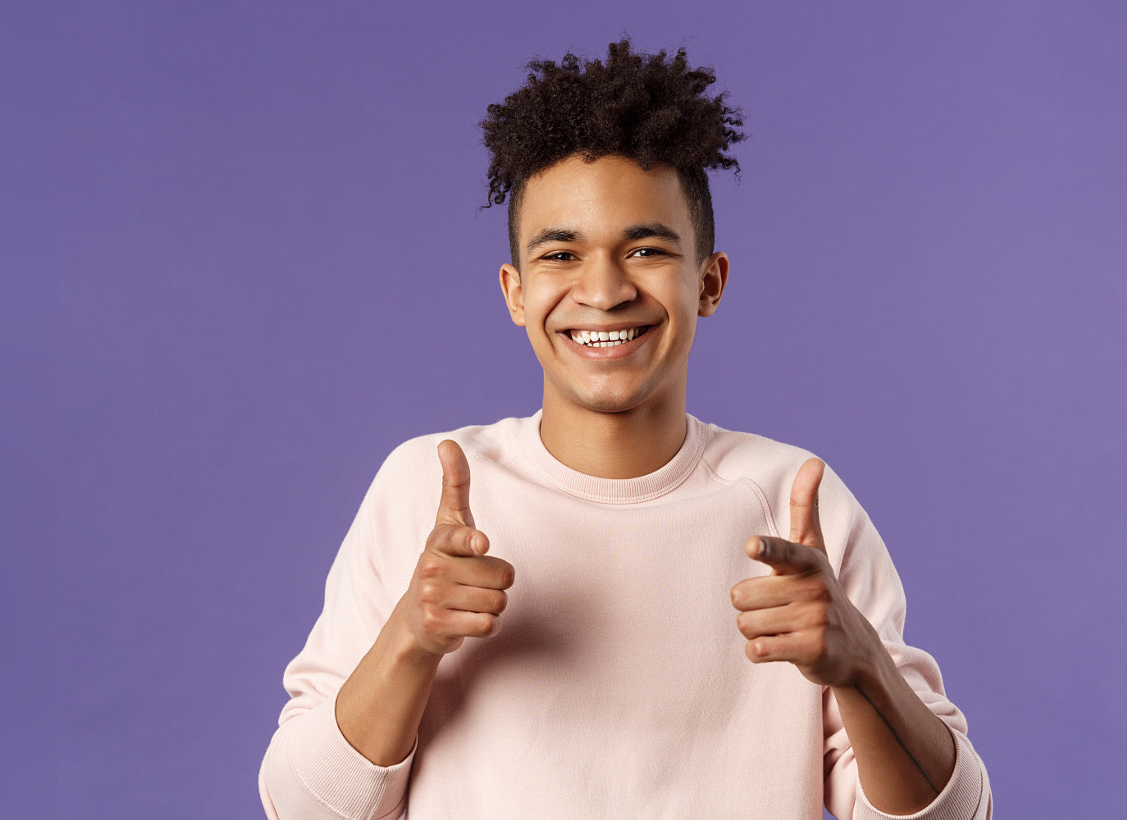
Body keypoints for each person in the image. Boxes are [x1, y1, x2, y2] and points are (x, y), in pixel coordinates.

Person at [256, 39, 991, 819]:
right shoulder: (427, 489)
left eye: (644, 249)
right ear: (515, 290)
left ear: (708, 283)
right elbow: (302, 809)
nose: (602, 291)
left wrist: (864, 670)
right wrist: (410, 639)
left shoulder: (795, 505)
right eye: (560, 253)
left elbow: (956, 814)